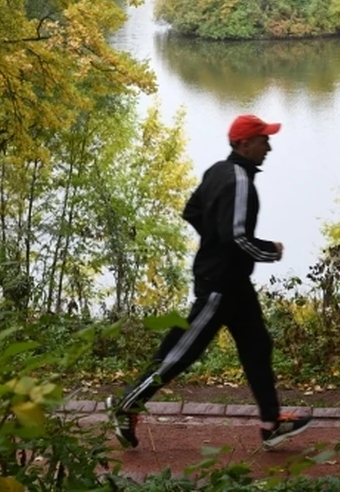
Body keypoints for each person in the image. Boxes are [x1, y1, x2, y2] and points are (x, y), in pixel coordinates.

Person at [106, 114, 312, 450]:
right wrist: (270, 251)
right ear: (244, 144)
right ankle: (126, 406)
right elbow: (239, 239)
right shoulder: (240, 182)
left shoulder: (217, 171)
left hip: (234, 285)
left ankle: (271, 424)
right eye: (264, 140)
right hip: (219, 285)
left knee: (258, 347)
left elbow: (192, 211)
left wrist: (215, 240)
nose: (269, 146)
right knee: (180, 352)